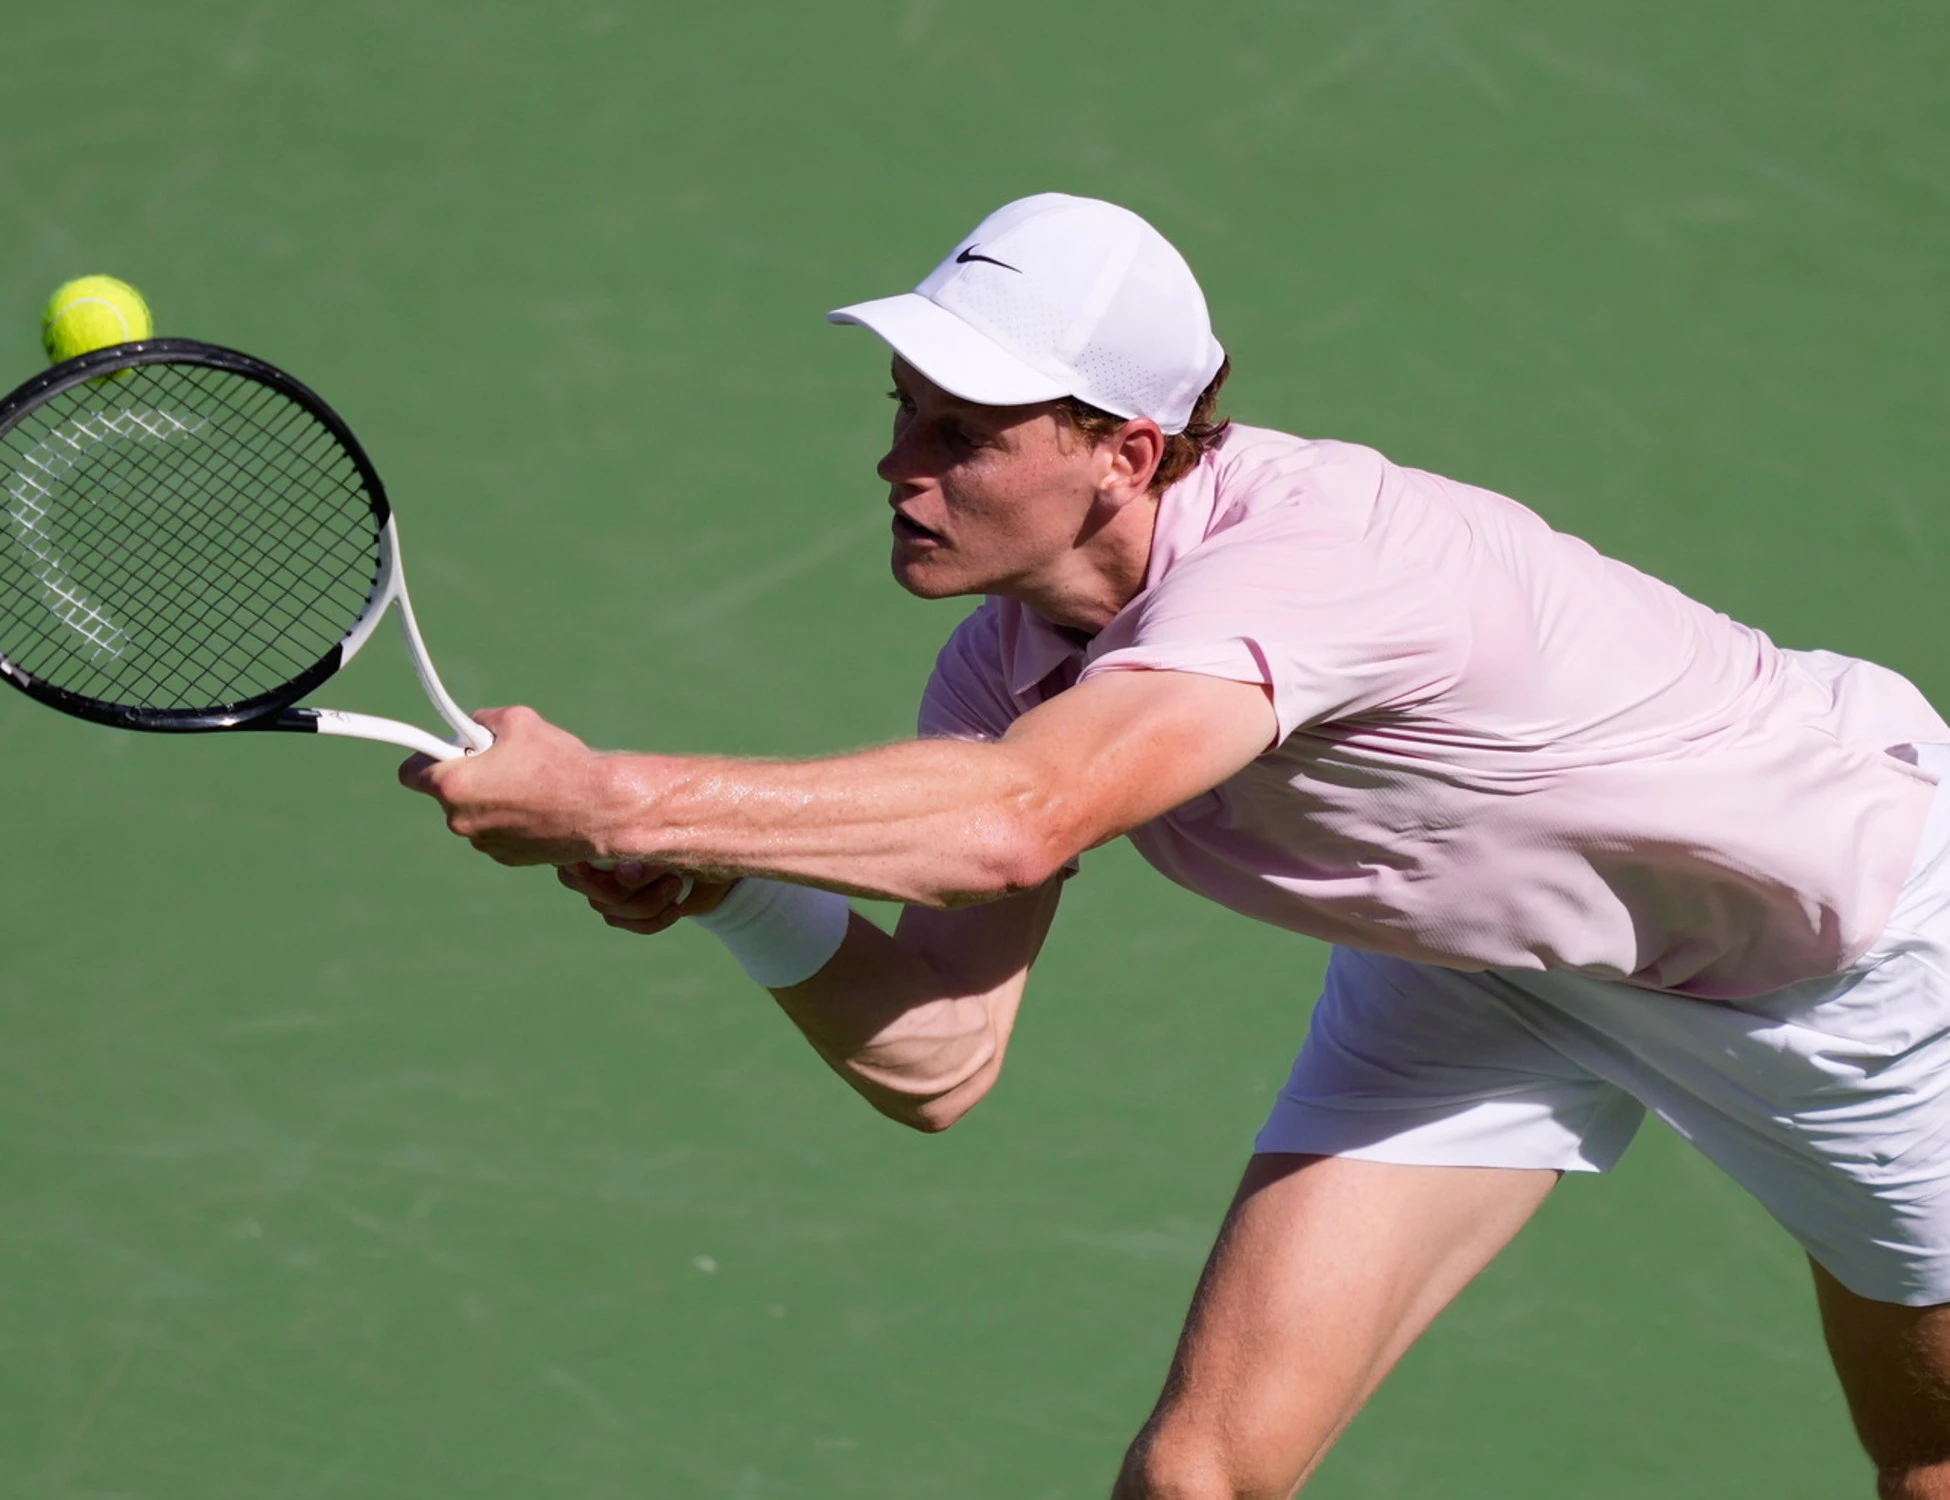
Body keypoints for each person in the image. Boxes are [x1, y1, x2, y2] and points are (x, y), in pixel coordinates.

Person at [401, 192, 1950, 1499]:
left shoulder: (1317, 557)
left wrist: (616, 800)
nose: (898, 467)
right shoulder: (1002, 665)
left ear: (1125, 455)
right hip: (1481, 968)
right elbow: (936, 1057)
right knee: (1196, 1477)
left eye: (965, 433)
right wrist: (731, 891)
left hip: (1846, 971)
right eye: (902, 416)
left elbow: (1016, 822)